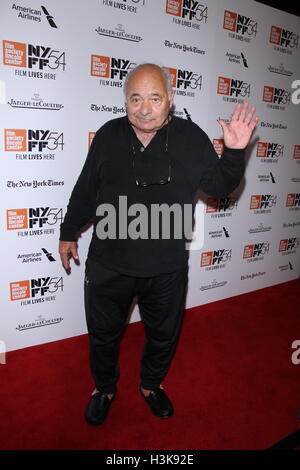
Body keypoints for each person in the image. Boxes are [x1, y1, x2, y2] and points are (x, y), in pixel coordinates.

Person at [59, 63, 259, 426]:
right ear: (125, 101)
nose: (145, 108)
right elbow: (86, 188)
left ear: (169, 100)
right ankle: (103, 387)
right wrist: (68, 232)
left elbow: (218, 187)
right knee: (103, 336)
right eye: (136, 98)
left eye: (154, 98)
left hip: (166, 267)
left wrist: (233, 153)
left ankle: (151, 384)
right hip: (110, 264)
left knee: (164, 335)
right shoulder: (108, 135)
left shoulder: (190, 137)